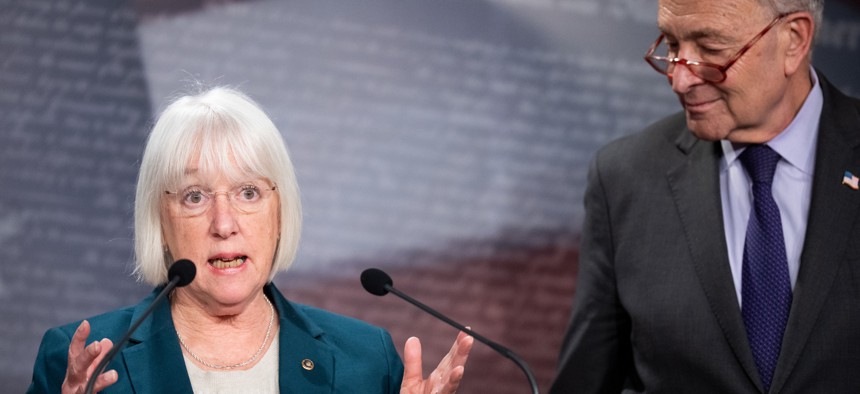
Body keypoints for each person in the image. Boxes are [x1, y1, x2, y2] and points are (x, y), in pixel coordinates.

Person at [27, 87, 473, 393]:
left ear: (279, 213)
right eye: (195, 196)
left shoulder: (364, 360)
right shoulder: (89, 361)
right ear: (160, 220)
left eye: (248, 192)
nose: (225, 223)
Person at [551, 0, 860, 393]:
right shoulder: (624, 180)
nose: (680, 80)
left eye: (711, 50)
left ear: (794, 40)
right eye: (673, 45)